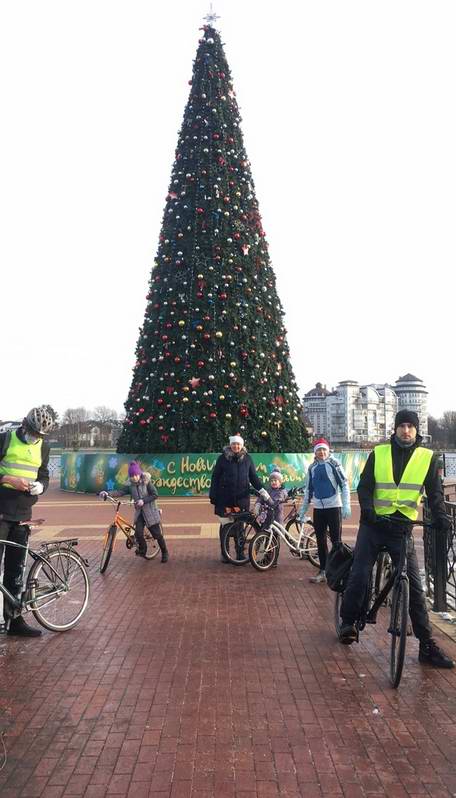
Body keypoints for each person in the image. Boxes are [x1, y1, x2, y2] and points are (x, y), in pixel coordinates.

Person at [338, 410, 454, 669]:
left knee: (414, 586)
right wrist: (367, 510)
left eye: (410, 426)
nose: (406, 430)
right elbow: (365, 486)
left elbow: (435, 495)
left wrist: (442, 517)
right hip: (374, 525)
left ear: (416, 430)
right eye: (401, 425)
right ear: (395, 429)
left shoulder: (428, 458)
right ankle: (347, 622)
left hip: (402, 528)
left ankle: (426, 646)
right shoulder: (378, 453)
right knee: (360, 573)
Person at [0, 406, 55, 637]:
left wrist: (39, 486)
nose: (35, 438)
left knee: (15, 570)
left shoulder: (43, 447)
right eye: (33, 432)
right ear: (24, 425)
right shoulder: (5, 439)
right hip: (1, 512)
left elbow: (43, 475)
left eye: (40, 436)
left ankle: (14, 621)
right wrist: (7, 478)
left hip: (23, 515)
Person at [209, 434, 270, 562]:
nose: (236, 446)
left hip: (241, 500)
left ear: (242, 445)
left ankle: (240, 553)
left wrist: (263, 490)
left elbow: (253, 477)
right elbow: (215, 477)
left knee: (240, 527)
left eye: (238, 444)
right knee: (225, 526)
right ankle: (225, 554)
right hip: (224, 499)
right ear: (230, 445)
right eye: (233, 444)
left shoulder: (247, 459)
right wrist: (213, 495)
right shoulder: (222, 458)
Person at [298, 438, 351, 584]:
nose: (321, 452)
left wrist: (346, 505)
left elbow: (345, 485)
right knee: (320, 541)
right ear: (315, 452)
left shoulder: (334, 464)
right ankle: (323, 571)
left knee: (336, 542)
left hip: (334, 507)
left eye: (324, 450)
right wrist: (303, 511)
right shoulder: (312, 468)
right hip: (319, 509)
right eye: (318, 450)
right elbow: (308, 490)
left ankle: (339, 572)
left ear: (328, 451)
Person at [103, 461, 169, 562]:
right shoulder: (130, 485)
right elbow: (120, 492)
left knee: (157, 534)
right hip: (140, 513)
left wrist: (144, 500)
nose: (134, 477)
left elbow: (155, 494)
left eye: (136, 475)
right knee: (138, 533)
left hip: (150, 512)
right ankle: (143, 549)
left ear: (139, 473)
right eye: (132, 476)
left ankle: (165, 552)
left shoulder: (146, 482)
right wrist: (108, 493)